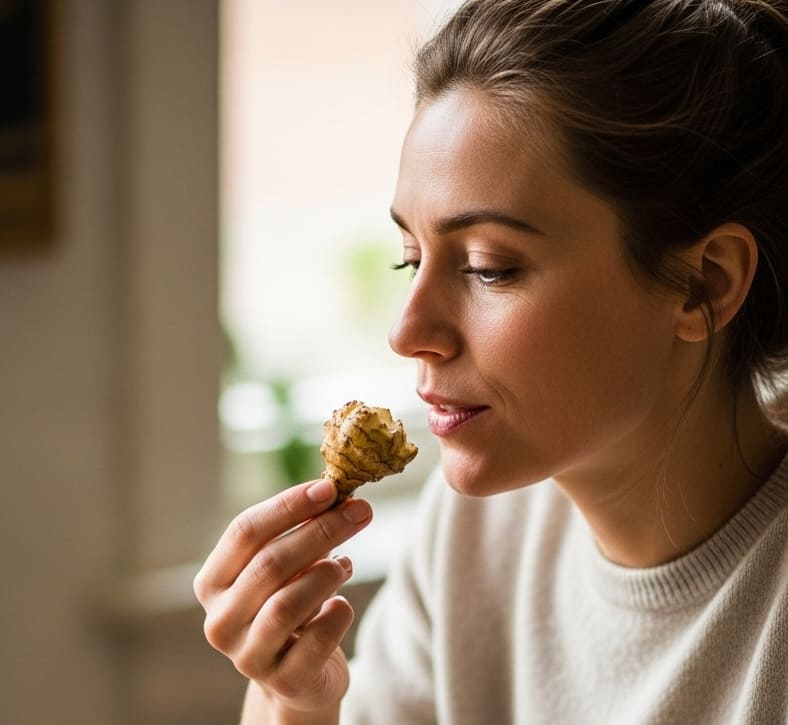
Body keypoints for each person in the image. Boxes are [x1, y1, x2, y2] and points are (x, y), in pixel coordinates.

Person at [193, 0, 788, 722]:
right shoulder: (474, 533)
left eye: (488, 267)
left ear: (705, 283)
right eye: (408, 258)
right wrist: (294, 701)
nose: (408, 330)